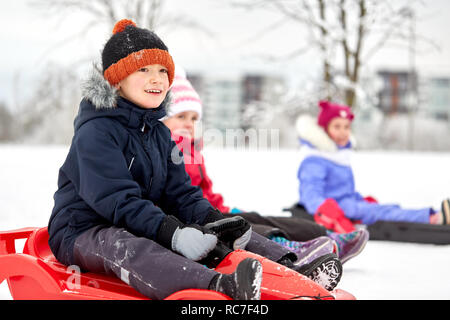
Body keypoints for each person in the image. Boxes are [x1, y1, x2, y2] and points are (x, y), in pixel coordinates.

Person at [47, 19, 341, 300]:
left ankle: (292, 268)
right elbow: (118, 201)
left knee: (218, 231)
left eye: (163, 71)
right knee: (126, 246)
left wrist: (216, 221)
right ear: (117, 79)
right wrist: (172, 233)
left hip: (138, 221)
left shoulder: (159, 134)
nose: (156, 78)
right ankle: (219, 287)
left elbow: (181, 195)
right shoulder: (96, 132)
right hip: (83, 230)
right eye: (143, 69)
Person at [162, 65, 369, 265]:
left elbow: (205, 191)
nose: (189, 123)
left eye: (194, 118)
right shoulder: (165, 150)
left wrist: (225, 208)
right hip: (189, 220)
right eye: (181, 116)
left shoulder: (191, 151)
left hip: (208, 210)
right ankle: (289, 249)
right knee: (244, 227)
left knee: (255, 217)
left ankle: (326, 237)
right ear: (163, 119)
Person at [295, 100, 450, 230]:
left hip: (348, 204)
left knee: (387, 209)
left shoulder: (338, 156)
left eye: (346, 127)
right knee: (382, 213)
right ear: (324, 129)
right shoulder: (315, 160)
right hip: (338, 209)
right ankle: (433, 218)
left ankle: (434, 214)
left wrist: (359, 199)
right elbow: (311, 196)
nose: (343, 132)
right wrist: (328, 212)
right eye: (337, 127)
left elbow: (341, 190)